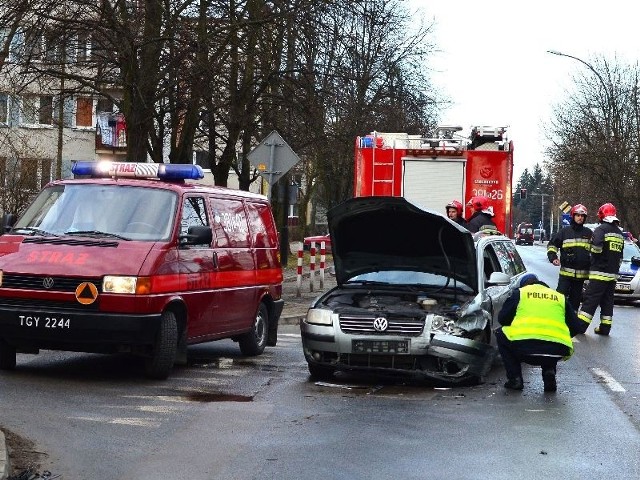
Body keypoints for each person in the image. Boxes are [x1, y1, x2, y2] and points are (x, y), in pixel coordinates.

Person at [495, 273, 587, 392]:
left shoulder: (520, 293)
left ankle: (515, 379)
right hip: (557, 351)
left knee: (500, 333)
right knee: (550, 340)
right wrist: (561, 336)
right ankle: (549, 371)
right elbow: (576, 326)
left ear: (522, 285)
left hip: (524, 349)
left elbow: (503, 319)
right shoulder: (559, 297)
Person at [577, 203, 624, 336]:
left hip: (599, 274)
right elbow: (620, 256)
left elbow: (596, 249)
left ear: (602, 215)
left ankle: (580, 327)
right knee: (608, 302)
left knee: (590, 300)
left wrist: (591, 252)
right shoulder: (619, 233)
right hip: (612, 274)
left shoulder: (601, 230)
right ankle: (605, 328)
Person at [546, 203, 593, 310]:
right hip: (565, 276)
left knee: (574, 304)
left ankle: (571, 324)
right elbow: (552, 245)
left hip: (580, 278)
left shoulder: (589, 233)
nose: (580, 218)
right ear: (573, 216)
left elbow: (596, 251)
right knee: (559, 300)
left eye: (582, 216)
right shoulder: (564, 232)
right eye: (578, 215)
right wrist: (553, 258)